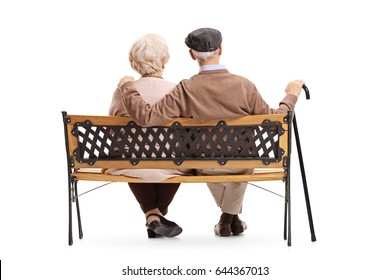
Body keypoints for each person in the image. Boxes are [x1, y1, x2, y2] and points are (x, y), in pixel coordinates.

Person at [117, 27, 304, 237]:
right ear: (221, 49)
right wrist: (291, 95)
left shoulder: (185, 89)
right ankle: (228, 218)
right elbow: (277, 122)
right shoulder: (244, 85)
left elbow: (147, 117)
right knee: (243, 161)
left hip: (205, 165)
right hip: (242, 163)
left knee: (211, 157)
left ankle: (227, 220)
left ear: (191, 54)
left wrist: (127, 87)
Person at [106, 34, 193, 238]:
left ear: (135, 63)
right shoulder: (176, 91)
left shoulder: (123, 91)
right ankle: (156, 215)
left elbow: (112, 129)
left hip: (131, 163)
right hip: (172, 164)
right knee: (175, 157)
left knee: (135, 157)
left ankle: (152, 215)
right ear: (163, 60)